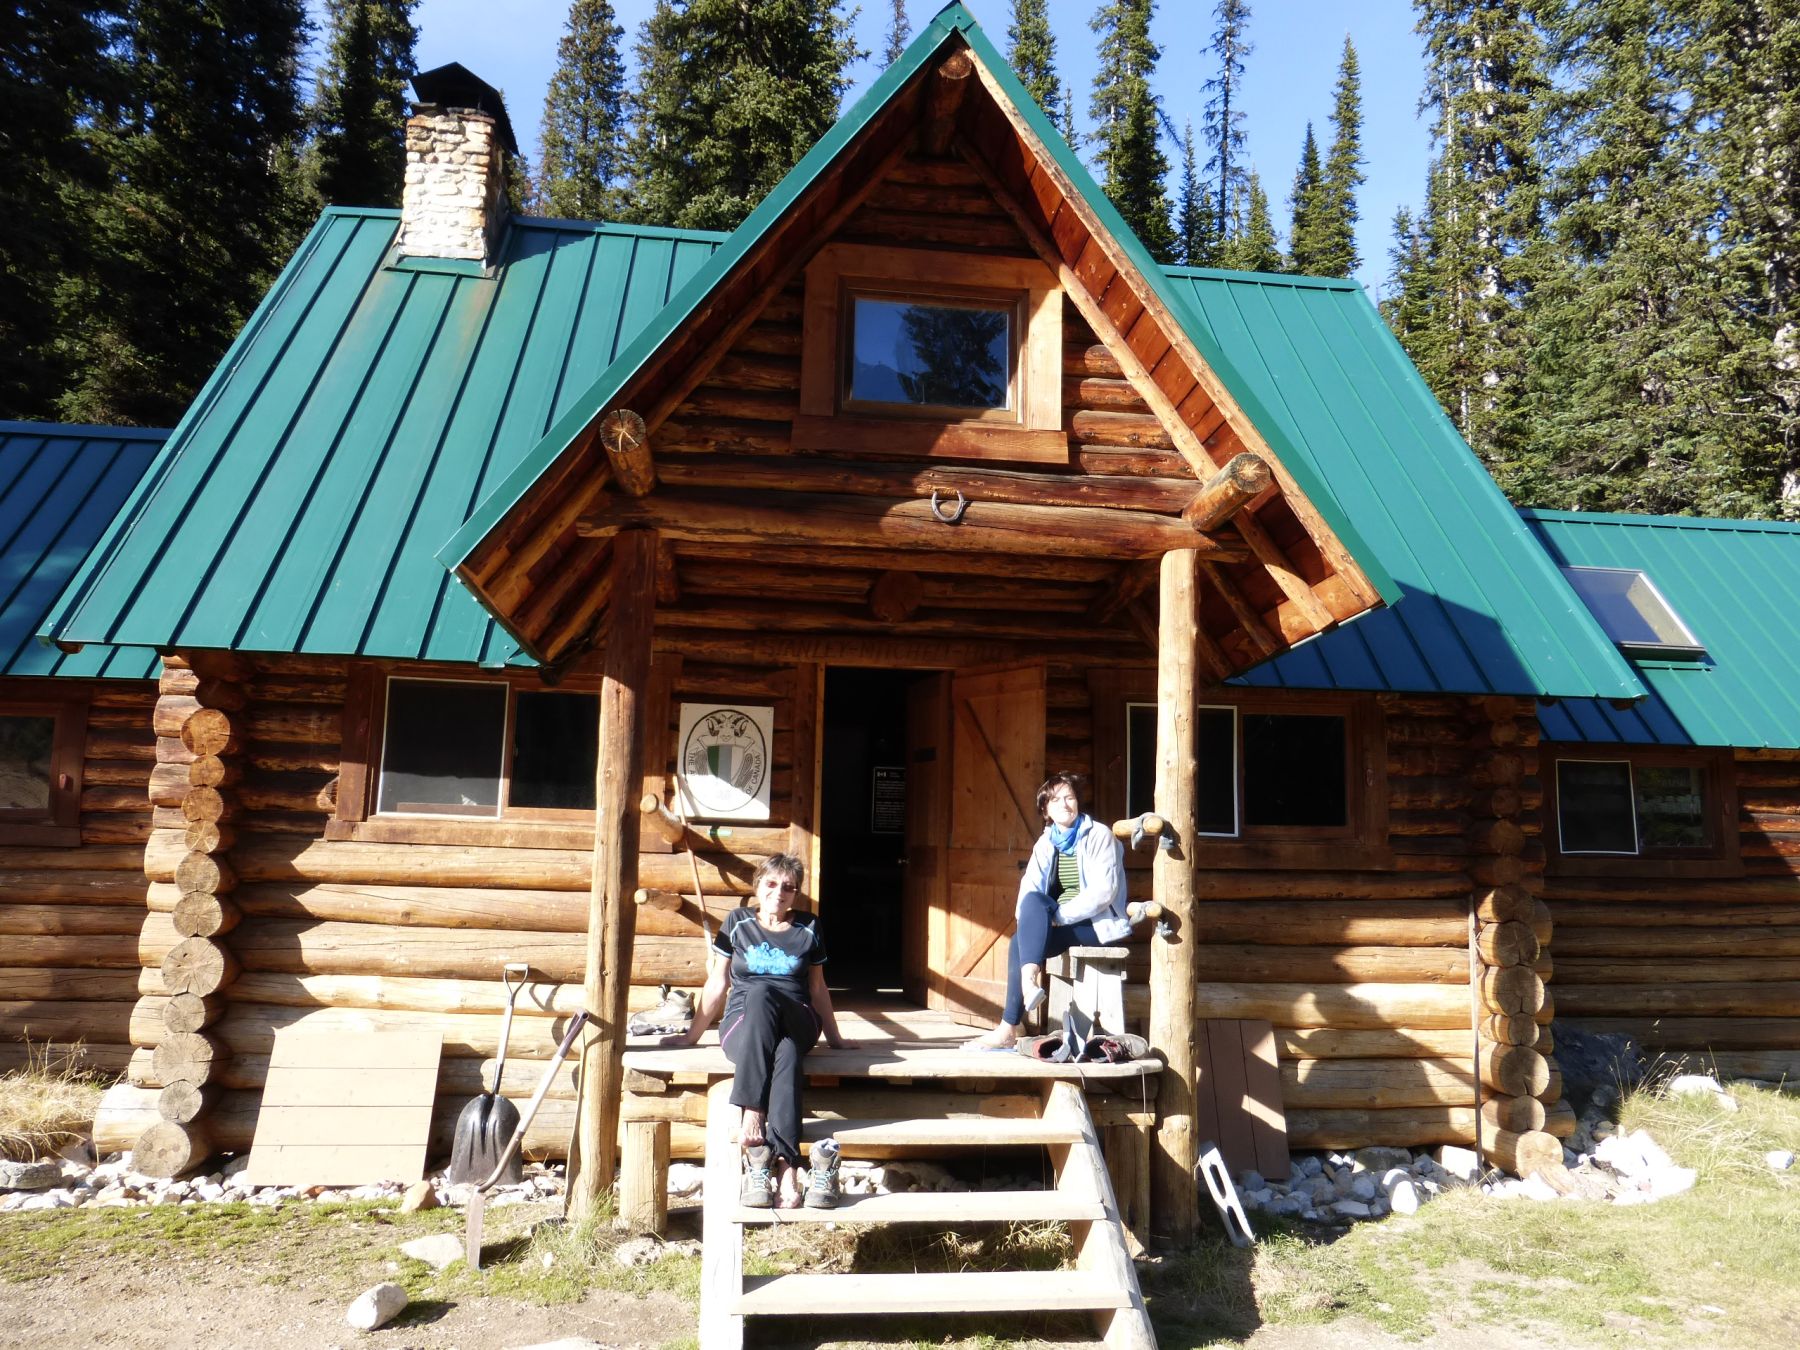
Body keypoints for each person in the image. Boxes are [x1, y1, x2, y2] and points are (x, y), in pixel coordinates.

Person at [665, 853, 856, 1208]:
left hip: (797, 1016)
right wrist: (691, 1036)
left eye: (789, 887)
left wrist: (835, 1038)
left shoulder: (809, 927)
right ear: (758, 886)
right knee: (784, 1052)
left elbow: (816, 989)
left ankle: (752, 1110)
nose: (779, 892)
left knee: (765, 993)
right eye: (771, 884)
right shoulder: (737, 922)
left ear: (796, 894)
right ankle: (786, 1167)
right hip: (744, 1025)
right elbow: (718, 981)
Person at [967, 772, 1130, 1051]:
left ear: (1078, 802)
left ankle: (1012, 1018)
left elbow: (1104, 893)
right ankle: (1018, 1009)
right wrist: (1033, 921)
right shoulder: (1046, 843)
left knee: (1023, 939)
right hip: (1061, 924)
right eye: (1056, 800)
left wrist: (1055, 919)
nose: (1065, 805)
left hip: (1098, 926)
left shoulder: (1099, 835)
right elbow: (1029, 889)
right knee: (1022, 931)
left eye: (1070, 797)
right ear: (1046, 810)